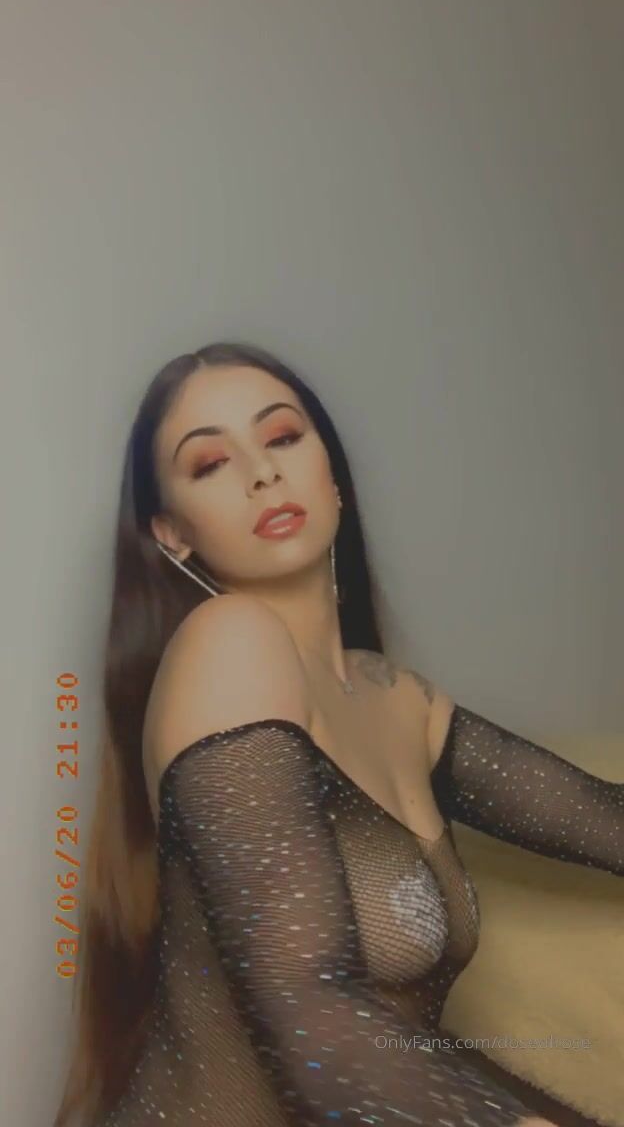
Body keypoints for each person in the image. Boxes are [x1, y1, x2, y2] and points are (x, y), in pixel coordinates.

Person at [53, 340, 623, 1127]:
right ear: (171, 533)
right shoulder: (229, 641)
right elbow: (312, 1017)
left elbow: (608, 820)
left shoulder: (398, 699)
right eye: (211, 463)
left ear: (334, 477)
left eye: (283, 437)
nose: (263, 473)